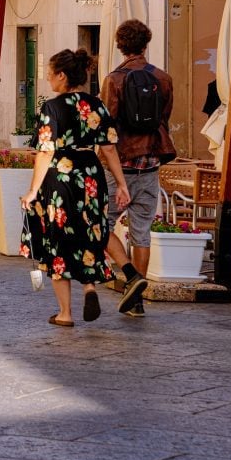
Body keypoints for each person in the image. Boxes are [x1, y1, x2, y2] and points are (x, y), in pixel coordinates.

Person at [20, 49, 133, 327]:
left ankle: (65, 313)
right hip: (91, 173)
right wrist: (121, 183)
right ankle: (90, 286)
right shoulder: (96, 104)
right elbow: (108, 147)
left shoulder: (53, 108)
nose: (48, 80)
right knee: (92, 229)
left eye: (49, 75)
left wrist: (33, 190)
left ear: (62, 75)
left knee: (59, 236)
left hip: (61, 175)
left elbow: (45, 152)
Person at [100, 19, 177, 317]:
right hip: (151, 164)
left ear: (120, 46)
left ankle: (130, 276)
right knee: (141, 232)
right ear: (146, 44)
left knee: (100, 225)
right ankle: (137, 301)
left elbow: (107, 127)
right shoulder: (163, 78)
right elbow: (164, 118)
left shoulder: (114, 80)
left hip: (119, 167)